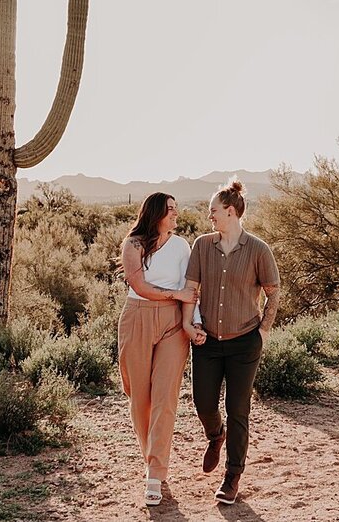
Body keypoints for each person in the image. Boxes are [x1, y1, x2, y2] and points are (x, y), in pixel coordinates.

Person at [181, 179, 281, 504]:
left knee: (238, 410)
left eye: (213, 210)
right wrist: (191, 322)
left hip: (244, 344)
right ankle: (215, 435)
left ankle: (232, 477)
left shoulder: (258, 250)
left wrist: (263, 331)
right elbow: (191, 291)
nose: (209, 215)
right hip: (207, 342)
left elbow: (273, 293)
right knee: (203, 403)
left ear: (231, 211)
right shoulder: (201, 246)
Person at [117, 192, 199, 506]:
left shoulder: (181, 246)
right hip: (137, 316)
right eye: (171, 210)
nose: (176, 214)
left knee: (165, 396)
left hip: (172, 324)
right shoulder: (133, 244)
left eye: (177, 209)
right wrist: (174, 296)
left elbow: (189, 289)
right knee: (139, 395)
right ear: (156, 213)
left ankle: (155, 470)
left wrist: (191, 322)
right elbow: (140, 286)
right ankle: (150, 454)